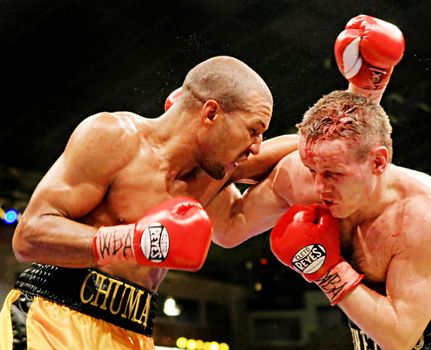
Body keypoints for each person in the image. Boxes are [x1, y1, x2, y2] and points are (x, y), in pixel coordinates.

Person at [0, 55, 298, 349]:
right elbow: (28, 237)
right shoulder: (113, 138)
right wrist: (134, 241)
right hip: (53, 319)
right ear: (211, 113)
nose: (256, 147)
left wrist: (341, 113)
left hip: (133, 332)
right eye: (253, 130)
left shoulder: (213, 171)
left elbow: (305, 150)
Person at [208, 15, 431, 349]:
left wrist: (326, 268)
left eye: (333, 174)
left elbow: (399, 338)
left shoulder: (424, 213)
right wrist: (207, 157)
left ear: (379, 162)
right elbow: (228, 228)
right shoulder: (307, 176)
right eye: (312, 168)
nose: (320, 185)